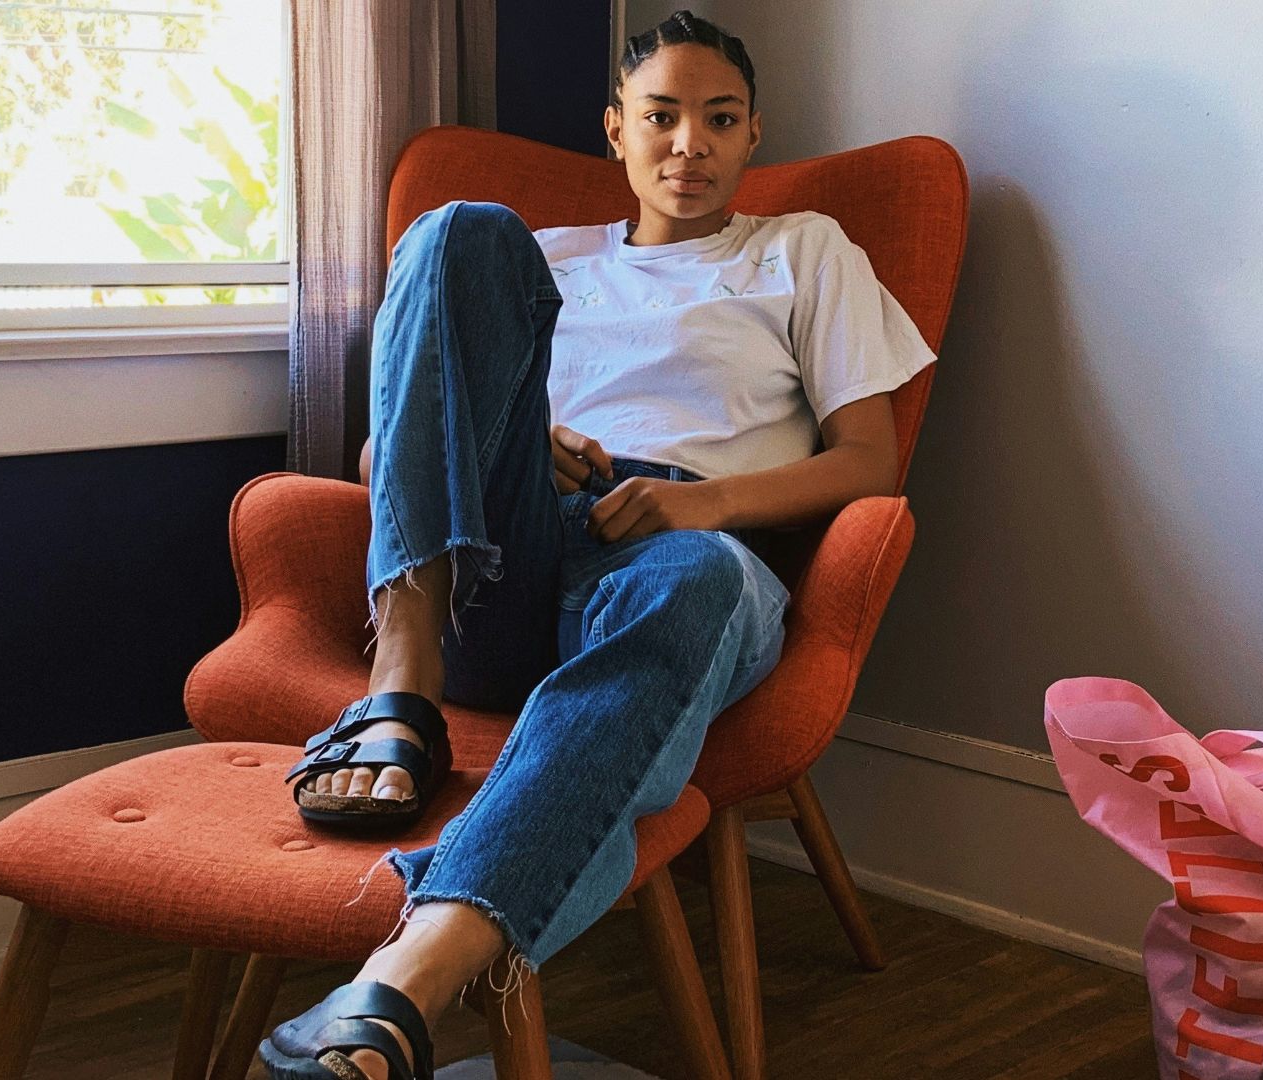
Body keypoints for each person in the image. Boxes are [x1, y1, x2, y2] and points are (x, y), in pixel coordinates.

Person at [260, 11, 935, 1079]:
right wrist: (522, 442)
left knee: (702, 581)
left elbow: (869, 462)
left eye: (719, 120)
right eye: (661, 118)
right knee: (451, 230)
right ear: (615, 131)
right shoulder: (546, 260)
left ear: (754, 132)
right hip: (506, 551)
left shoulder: (801, 251)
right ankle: (404, 688)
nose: (689, 144)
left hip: (683, 555)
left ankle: (406, 980)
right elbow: (386, 451)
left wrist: (696, 509)